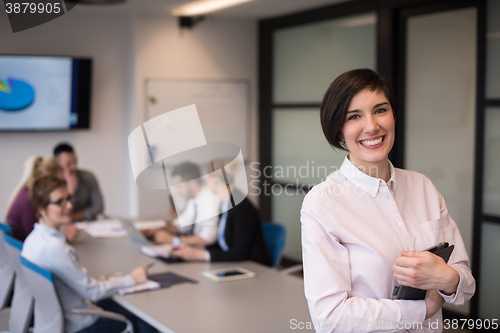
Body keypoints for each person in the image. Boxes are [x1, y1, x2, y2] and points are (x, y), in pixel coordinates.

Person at [300, 69, 475, 333]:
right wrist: (422, 310)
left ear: (393, 116)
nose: (371, 126)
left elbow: (465, 282)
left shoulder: (423, 187)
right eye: (354, 116)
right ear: (338, 131)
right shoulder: (323, 203)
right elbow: (330, 319)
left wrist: (446, 278)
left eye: (380, 110)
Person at [21, 176, 156, 333]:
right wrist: (133, 278)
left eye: (69, 198)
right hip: (79, 323)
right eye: (60, 202)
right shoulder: (57, 249)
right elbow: (93, 292)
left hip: (52, 322)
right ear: (41, 209)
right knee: (144, 321)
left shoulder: (31, 241)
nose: (69, 205)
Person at [171, 160, 272, 266]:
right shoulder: (224, 203)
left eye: (207, 180)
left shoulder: (242, 208)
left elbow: (239, 254)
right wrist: (194, 249)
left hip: (253, 267)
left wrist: (200, 254)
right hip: (232, 264)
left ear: (215, 181)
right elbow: (223, 243)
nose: (205, 184)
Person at [143, 162, 219, 246]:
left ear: (192, 183)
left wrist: (173, 240)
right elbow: (181, 224)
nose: (177, 192)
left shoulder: (210, 200)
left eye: (179, 186)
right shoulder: (194, 200)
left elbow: (208, 238)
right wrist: (153, 230)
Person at [5, 155, 78, 242]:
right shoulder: (29, 200)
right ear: (45, 178)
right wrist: (64, 237)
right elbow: (38, 240)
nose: (60, 186)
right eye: (57, 182)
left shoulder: (26, 192)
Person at [54, 143, 104, 221]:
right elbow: (56, 213)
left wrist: (72, 217)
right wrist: (70, 193)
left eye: (75, 162)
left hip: (86, 224)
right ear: (57, 164)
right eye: (68, 164)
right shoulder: (52, 183)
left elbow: (98, 207)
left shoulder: (88, 177)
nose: (74, 167)